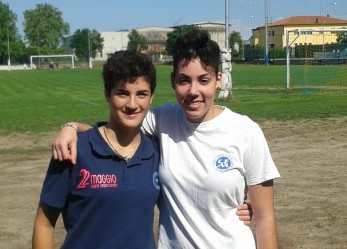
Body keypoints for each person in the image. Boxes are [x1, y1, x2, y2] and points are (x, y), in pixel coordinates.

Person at [53, 30, 279, 248]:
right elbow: (115, 127)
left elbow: (265, 217)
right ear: (172, 81)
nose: (193, 91)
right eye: (184, 80)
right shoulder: (161, 120)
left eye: (203, 80)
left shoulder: (246, 131)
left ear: (218, 80)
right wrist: (70, 126)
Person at [32, 50, 160, 249]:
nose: (132, 104)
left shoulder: (155, 150)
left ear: (151, 97)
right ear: (107, 95)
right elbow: (45, 223)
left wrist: (73, 124)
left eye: (141, 94)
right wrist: (71, 126)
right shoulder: (74, 149)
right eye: (122, 93)